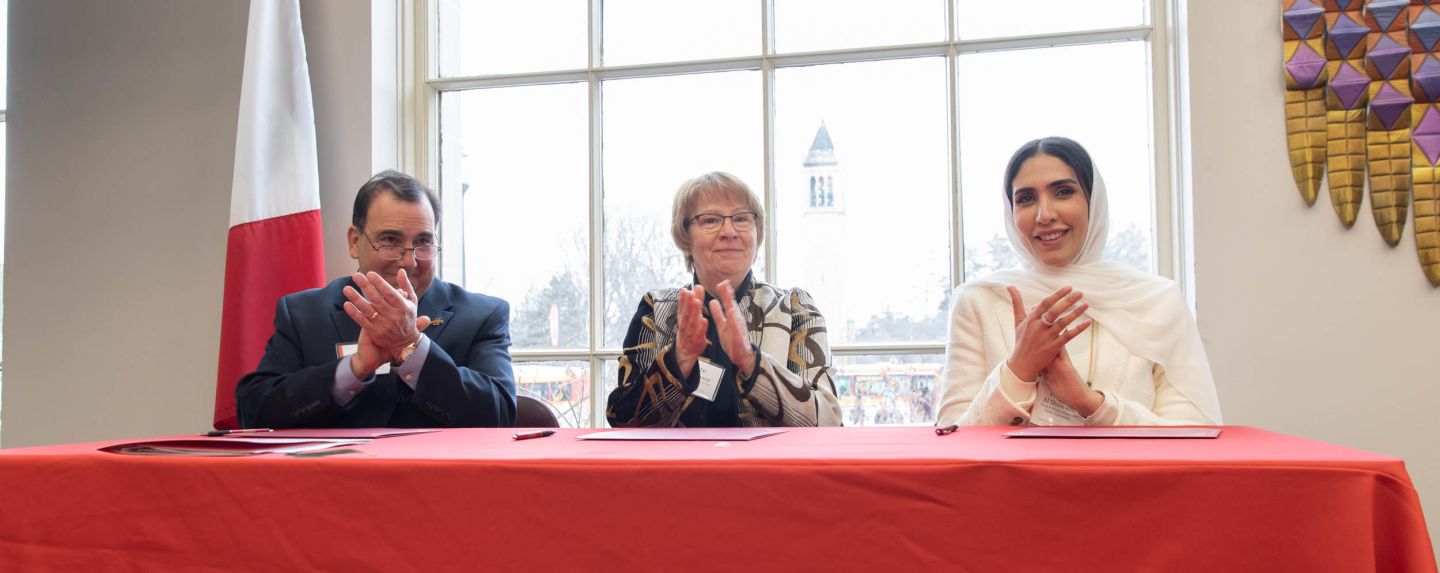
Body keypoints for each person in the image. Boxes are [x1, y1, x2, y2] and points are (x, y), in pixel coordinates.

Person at [936, 137, 1221, 426]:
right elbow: (951, 437)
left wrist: (1092, 403)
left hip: (1122, 473)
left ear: (1093, 202)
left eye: (1063, 192)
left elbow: (1194, 432)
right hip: (1010, 474)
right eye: (1026, 198)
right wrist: (1018, 370)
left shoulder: (1156, 300)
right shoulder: (979, 300)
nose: (1044, 214)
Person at [236, 170, 516, 428]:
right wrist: (354, 369)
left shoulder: (482, 315)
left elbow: (500, 416)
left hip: (437, 478)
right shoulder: (304, 313)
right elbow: (254, 411)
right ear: (355, 242)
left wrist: (411, 347)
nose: (409, 261)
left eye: (423, 242)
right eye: (391, 241)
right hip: (332, 478)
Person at [606, 172, 842, 427]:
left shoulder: (795, 309)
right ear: (685, 237)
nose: (729, 231)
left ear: (756, 232)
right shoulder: (656, 311)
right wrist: (678, 360)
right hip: (676, 468)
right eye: (710, 220)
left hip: (771, 468)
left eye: (741, 218)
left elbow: (828, 423)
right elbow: (623, 422)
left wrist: (753, 363)